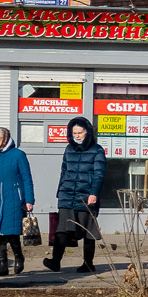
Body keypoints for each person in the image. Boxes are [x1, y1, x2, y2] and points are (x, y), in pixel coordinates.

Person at [42, 116, 105, 274]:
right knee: (62, 228)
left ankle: (88, 263)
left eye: (80, 132)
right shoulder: (69, 149)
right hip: (67, 194)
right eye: (74, 132)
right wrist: (60, 192)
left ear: (87, 132)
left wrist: (94, 193)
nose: (77, 135)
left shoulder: (97, 150)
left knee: (88, 230)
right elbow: (63, 172)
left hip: (86, 196)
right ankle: (55, 261)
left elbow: (99, 175)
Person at [0, 127, 35, 276]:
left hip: (13, 198)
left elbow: (27, 178)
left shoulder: (18, 155)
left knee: (11, 232)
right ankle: (2, 262)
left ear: (5, 138)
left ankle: (18, 256)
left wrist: (29, 199)